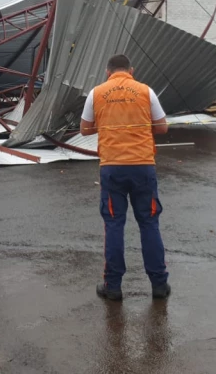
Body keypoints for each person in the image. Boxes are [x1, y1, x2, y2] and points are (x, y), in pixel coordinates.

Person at [80, 54, 171, 302]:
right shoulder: (145, 91)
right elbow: (162, 127)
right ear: (131, 70)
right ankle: (159, 285)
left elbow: (85, 129)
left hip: (112, 168)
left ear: (107, 72)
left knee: (114, 225)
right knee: (149, 224)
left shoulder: (96, 93)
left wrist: (108, 122)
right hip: (143, 166)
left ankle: (113, 286)